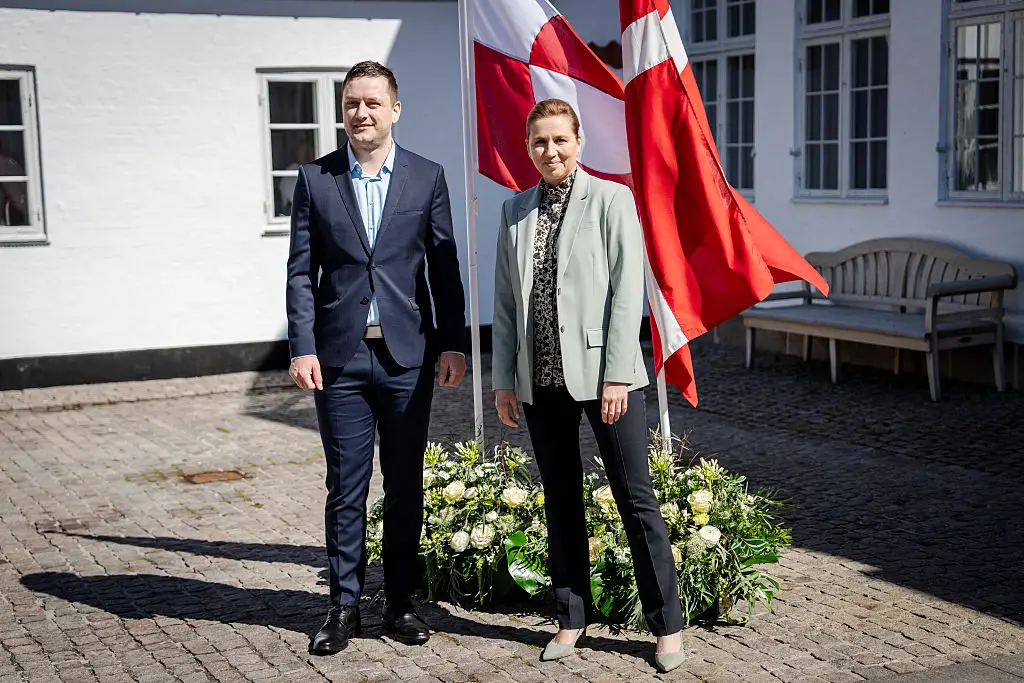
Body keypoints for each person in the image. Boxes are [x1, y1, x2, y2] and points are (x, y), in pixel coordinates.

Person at [490, 99, 685, 673]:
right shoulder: (514, 211)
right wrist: (505, 380)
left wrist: (619, 373)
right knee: (560, 499)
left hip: (607, 378)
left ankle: (667, 625)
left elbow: (628, 290)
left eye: (560, 140)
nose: (550, 151)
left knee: (635, 498)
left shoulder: (610, 200)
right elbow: (505, 304)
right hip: (541, 379)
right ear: (528, 149)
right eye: (539, 142)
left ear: (579, 142)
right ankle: (571, 616)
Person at [285, 60, 467, 655]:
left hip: (406, 360)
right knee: (346, 485)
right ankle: (342, 607)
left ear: (394, 109)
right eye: (350, 103)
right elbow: (300, 274)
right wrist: (303, 346)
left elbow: (443, 268)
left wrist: (453, 342)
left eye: (371, 102)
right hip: (338, 362)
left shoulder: (426, 177)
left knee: (406, 483)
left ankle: (399, 602)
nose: (360, 113)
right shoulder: (315, 179)